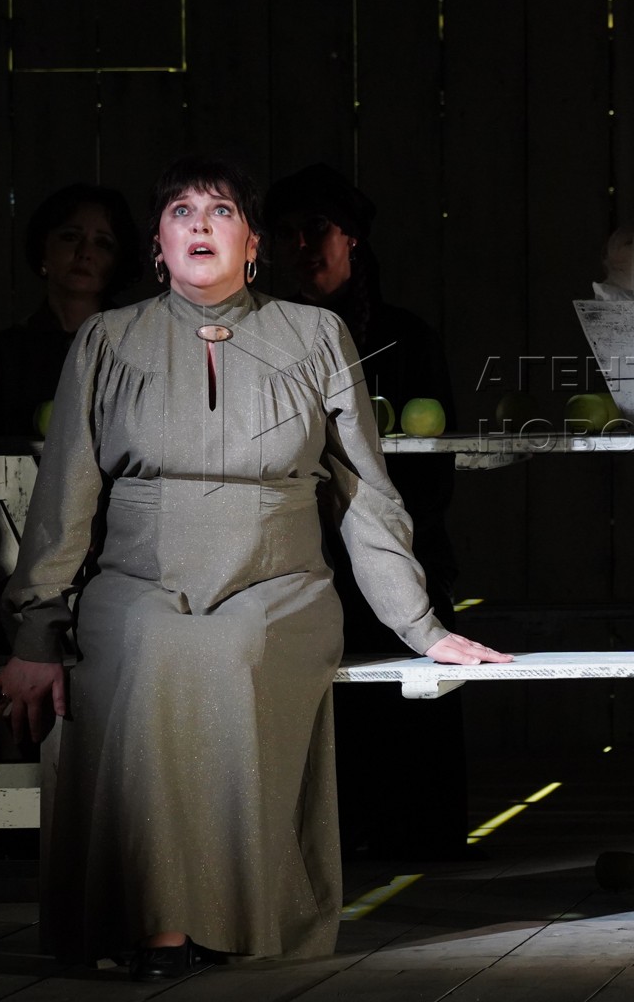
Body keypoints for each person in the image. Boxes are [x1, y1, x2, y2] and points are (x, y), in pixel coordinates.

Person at [0, 154, 510, 978]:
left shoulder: (315, 336)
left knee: (234, 653)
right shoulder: (107, 340)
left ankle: (231, 913)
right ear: (157, 245)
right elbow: (65, 495)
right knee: (148, 651)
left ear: (252, 244)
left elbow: (364, 494)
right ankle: (161, 923)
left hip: (276, 586)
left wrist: (420, 624)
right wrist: (37, 631)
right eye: (181, 211)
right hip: (140, 583)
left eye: (220, 210)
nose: (200, 223)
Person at [267, 164, 468, 859]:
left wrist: (381, 545)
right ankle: (334, 841)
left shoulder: (404, 338)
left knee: (415, 660)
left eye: (317, 229)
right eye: (287, 233)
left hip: (398, 544)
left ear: (351, 236)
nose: (302, 246)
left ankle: (422, 838)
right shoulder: (266, 338)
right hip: (298, 554)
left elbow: (433, 471)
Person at [0, 183, 140, 436]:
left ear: (117, 261)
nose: (85, 253)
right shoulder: (1, 354)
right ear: (43, 249)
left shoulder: (138, 347)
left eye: (102, 243)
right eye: (70, 237)